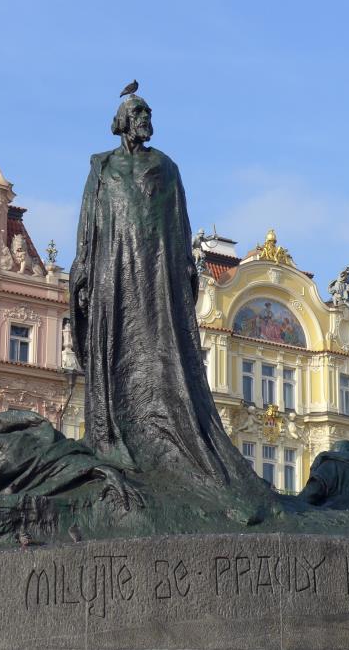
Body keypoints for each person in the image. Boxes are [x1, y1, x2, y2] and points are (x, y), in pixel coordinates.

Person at [69, 93, 261, 491]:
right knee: (114, 347)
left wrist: (185, 270)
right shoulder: (101, 166)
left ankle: (167, 436)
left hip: (156, 272)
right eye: (137, 113)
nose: (145, 118)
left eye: (147, 113)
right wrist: (84, 269)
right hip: (112, 267)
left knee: (160, 347)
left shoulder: (165, 166)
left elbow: (180, 221)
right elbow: (88, 223)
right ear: (122, 120)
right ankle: (116, 432)